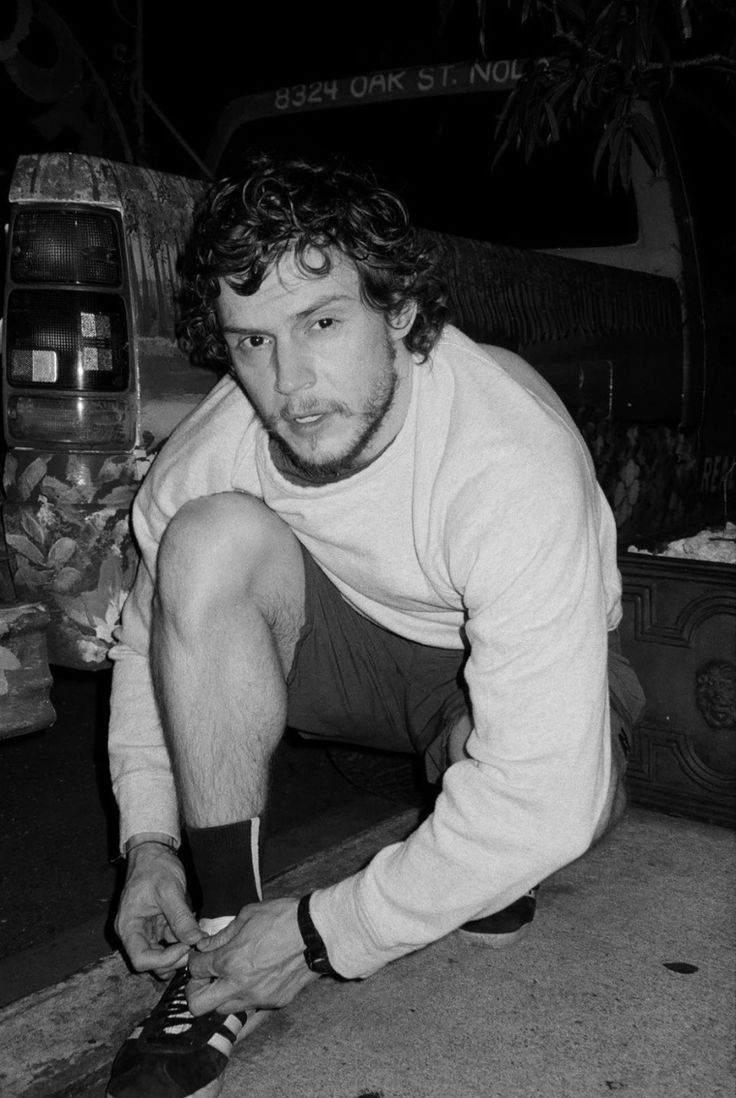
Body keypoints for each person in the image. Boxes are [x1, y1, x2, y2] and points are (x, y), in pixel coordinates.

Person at [105, 151, 644, 1098]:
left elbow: (547, 794)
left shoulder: (507, 456)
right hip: (349, 656)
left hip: (492, 676)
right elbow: (150, 641)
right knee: (204, 540)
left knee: (544, 800)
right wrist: (148, 844)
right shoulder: (214, 449)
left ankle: (466, 839)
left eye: (321, 323)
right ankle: (225, 953)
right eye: (252, 342)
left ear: (398, 313)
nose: (292, 384)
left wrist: (322, 936)